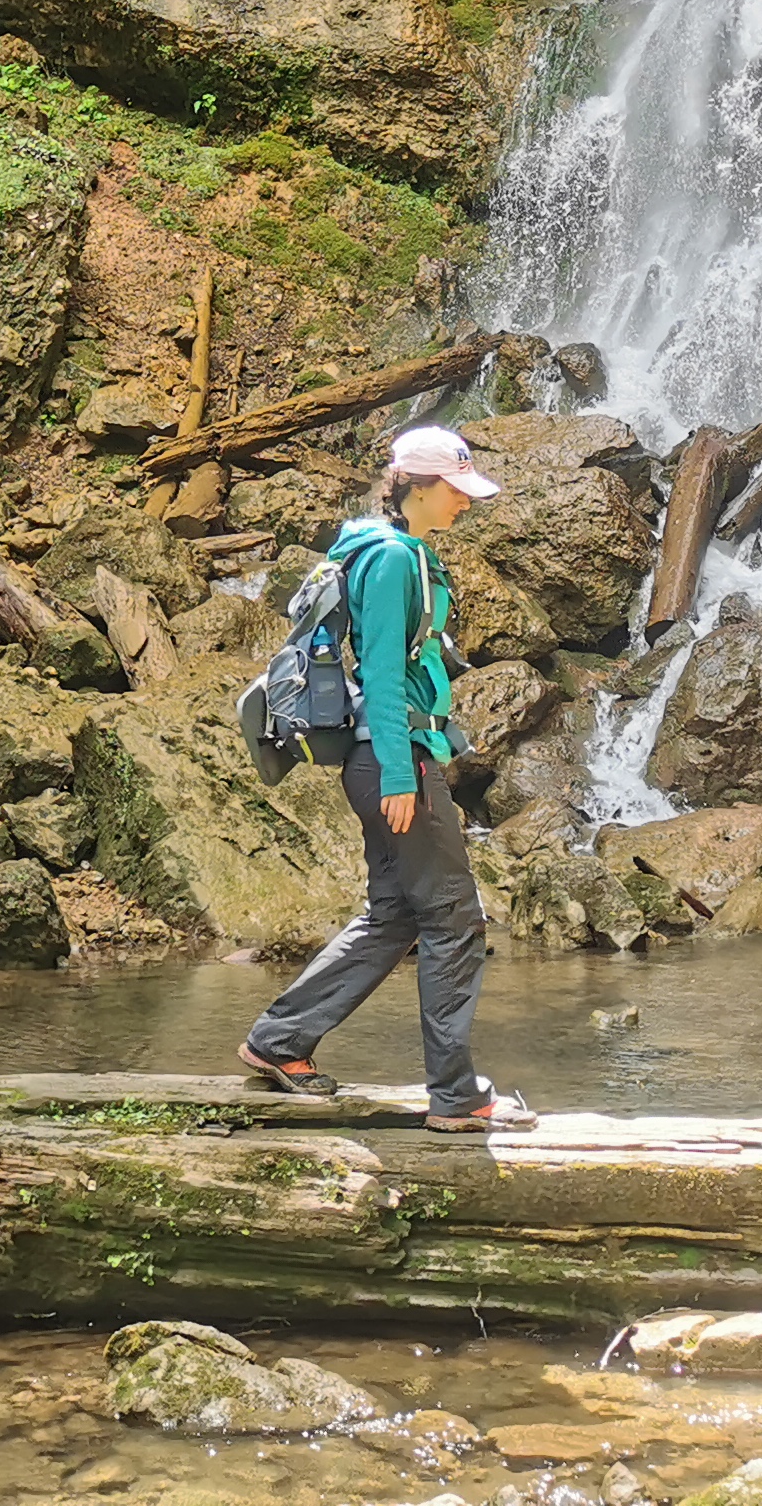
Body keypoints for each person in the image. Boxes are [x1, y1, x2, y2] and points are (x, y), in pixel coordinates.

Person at [237, 426, 526, 1131]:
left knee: (396, 914)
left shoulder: (378, 546)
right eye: (457, 490)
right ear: (421, 488)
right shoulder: (395, 558)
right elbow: (387, 677)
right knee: (456, 920)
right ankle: (456, 1098)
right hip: (392, 761)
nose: (465, 503)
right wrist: (403, 772)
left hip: (378, 759)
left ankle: (279, 1040)